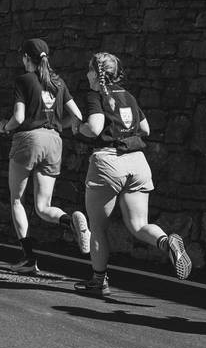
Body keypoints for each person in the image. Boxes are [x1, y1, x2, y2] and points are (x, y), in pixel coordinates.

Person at [71, 52, 192, 296]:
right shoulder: (129, 96)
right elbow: (145, 129)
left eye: (89, 70)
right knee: (139, 225)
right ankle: (167, 242)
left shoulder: (95, 95)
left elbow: (94, 128)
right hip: (137, 162)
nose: (86, 74)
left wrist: (78, 127)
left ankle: (99, 280)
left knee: (97, 227)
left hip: (108, 163)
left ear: (96, 74)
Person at [0, 38, 90, 275]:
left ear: (27, 58)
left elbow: (19, 118)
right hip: (54, 141)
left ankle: (28, 258)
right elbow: (78, 115)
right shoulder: (58, 82)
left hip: (29, 140)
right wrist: (61, 124)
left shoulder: (24, 80)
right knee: (43, 206)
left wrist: (5, 127)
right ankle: (70, 220)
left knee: (17, 200)